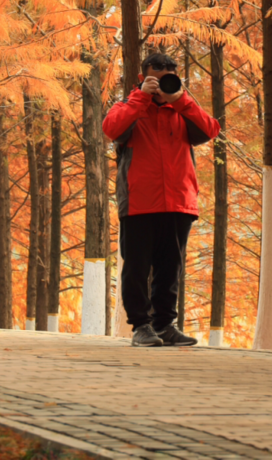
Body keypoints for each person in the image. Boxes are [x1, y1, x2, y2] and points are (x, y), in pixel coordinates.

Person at [102, 52, 220, 347]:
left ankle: (165, 324)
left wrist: (180, 99)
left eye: (169, 74)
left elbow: (211, 129)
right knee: (137, 268)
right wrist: (142, 97)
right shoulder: (128, 107)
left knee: (171, 269)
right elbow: (111, 129)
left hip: (179, 201)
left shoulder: (182, 110)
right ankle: (141, 326)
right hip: (140, 201)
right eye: (156, 76)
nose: (162, 81)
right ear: (143, 77)